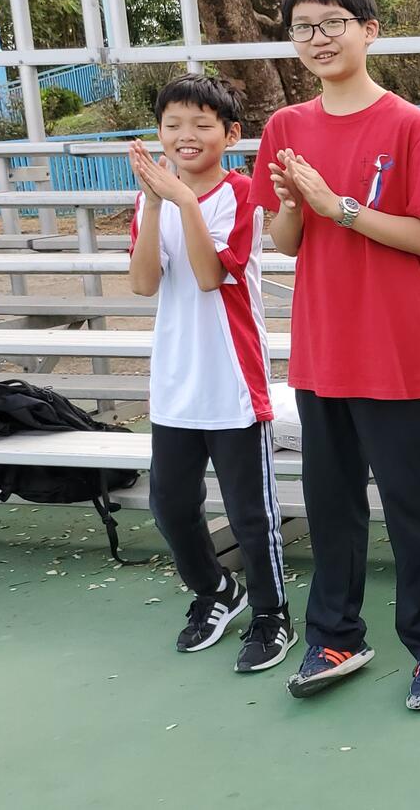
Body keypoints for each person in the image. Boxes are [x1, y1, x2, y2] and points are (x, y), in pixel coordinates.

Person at [252, 0, 420, 710]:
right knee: (331, 504)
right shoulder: (285, 128)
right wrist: (295, 205)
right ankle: (335, 634)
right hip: (322, 349)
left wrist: (337, 205)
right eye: (303, 27)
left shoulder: (408, 125)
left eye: (332, 23)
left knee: (414, 508)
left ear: (368, 30)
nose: (318, 38)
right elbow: (285, 241)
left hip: (395, 349)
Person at [128, 74, 290, 673]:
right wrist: (153, 204)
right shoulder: (153, 199)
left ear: (231, 133)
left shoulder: (241, 194)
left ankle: (272, 614)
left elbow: (207, 275)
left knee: (251, 513)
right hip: (175, 381)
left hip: (232, 380)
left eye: (201, 124)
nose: (185, 135)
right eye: (172, 124)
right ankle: (216, 589)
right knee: (171, 504)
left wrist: (184, 201)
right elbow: (144, 283)